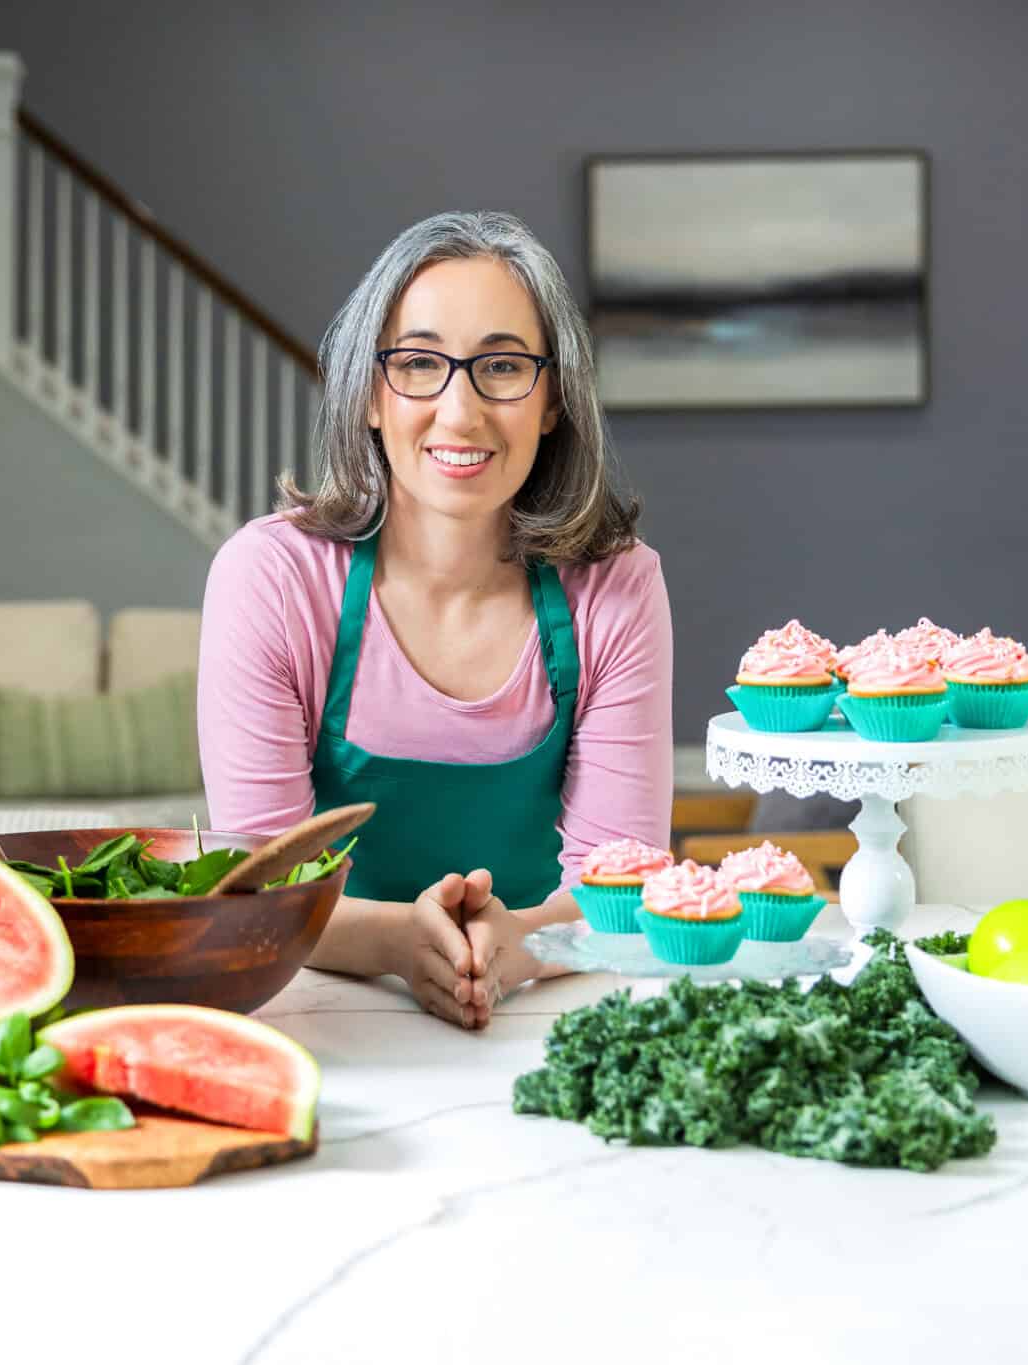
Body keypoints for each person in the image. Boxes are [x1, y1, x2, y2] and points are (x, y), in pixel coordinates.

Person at [196, 210, 672, 1029]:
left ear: (552, 400)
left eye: (503, 366)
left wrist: (518, 946)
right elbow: (260, 890)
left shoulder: (617, 586)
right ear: (369, 395)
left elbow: (623, 888)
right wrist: (396, 942)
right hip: (323, 1012)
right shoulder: (271, 578)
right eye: (419, 363)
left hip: (543, 1004)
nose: (460, 412)